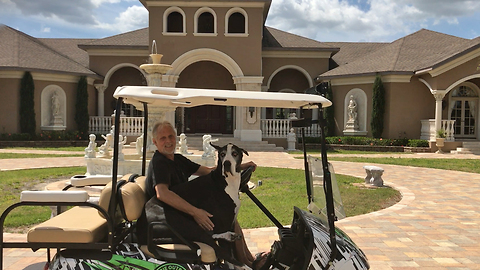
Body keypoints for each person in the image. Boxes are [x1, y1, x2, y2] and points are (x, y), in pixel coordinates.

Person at [141, 121, 267, 269]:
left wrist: (236, 166)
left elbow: (209, 171)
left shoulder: (177, 159)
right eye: (163, 138)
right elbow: (162, 194)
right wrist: (196, 212)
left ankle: (248, 261)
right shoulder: (159, 163)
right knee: (227, 217)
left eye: (171, 136)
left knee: (230, 215)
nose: (168, 141)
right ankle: (244, 263)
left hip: (179, 213)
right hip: (167, 220)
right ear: (155, 142)